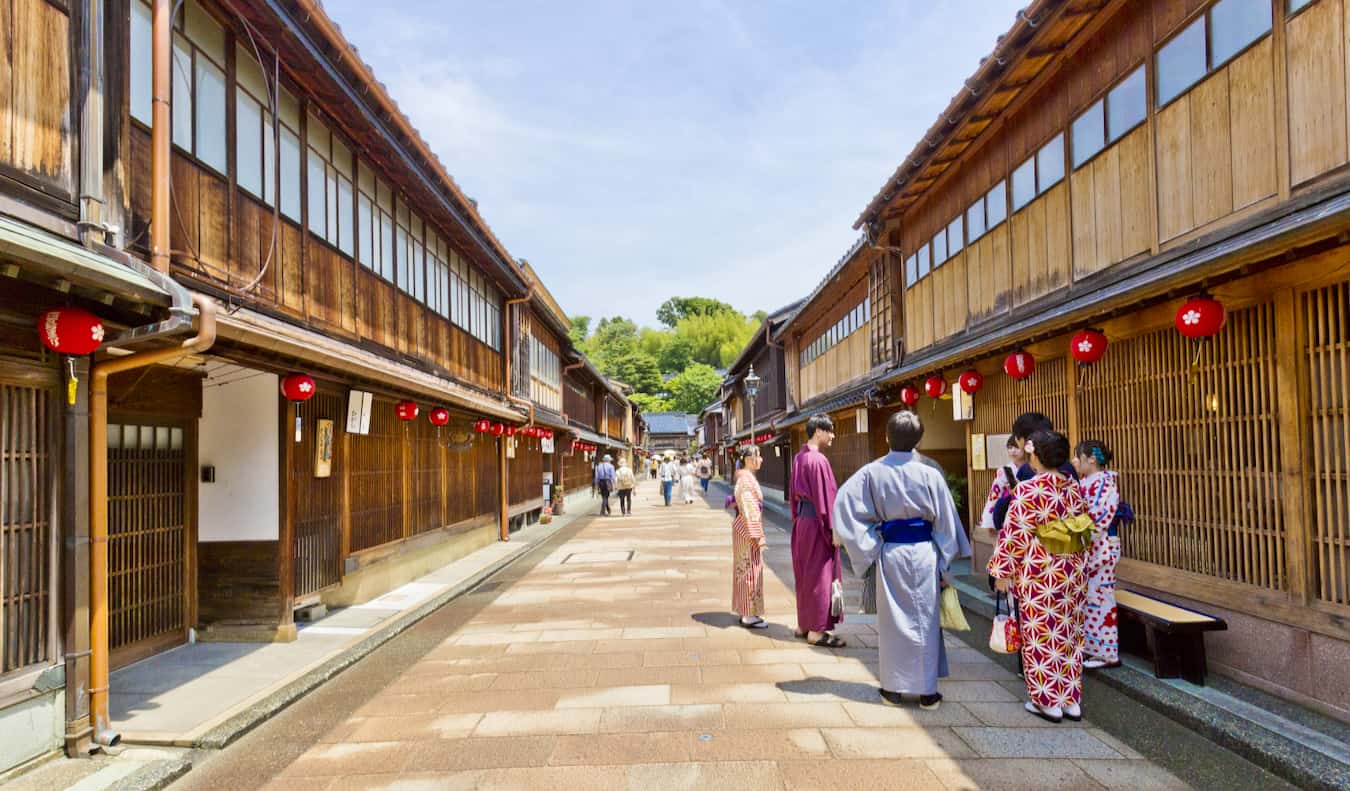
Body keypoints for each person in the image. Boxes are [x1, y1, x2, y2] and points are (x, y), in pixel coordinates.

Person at [833, 411, 962, 711]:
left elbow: (844, 504)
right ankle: (927, 693)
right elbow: (945, 522)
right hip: (925, 552)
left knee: (892, 623)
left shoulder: (871, 472)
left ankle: (892, 689)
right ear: (919, 439)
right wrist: (945, 560)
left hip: (891, 552)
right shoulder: (930, 473)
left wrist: (870, 544)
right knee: (926, 621)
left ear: (887, 437)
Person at [988, 429, 1091, 723]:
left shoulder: (1029, 490)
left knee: (1041, 634)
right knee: (1069, 634)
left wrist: (1002, 571)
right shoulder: (1074, 488)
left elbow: (1015, 534)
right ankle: (1071, 699)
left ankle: (1047, 701)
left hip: (1040, 573)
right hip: (1072, 571)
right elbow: (1085, 531)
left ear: (1035, 456)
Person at [790, 413, 844, 647]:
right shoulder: (818, 460)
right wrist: (833, 530)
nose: (832, 436)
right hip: (817, 524)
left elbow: (794, 496)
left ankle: (803, 624)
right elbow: (826, 500)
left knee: (804, 574)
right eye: (830, 430)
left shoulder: (800, 458)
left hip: (802, 522)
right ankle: (816, 631)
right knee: (820, 576)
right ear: (819, 431)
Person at [1074, 440, 1121, 670]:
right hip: (1091, 547)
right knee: (1092, 599)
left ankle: (1108, 653)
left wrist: (1076, 529)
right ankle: (1094, 649)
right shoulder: (1089, 482)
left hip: (1100, 546)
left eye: (1078, 457)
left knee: (1102, 599)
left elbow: (1098, 517)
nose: (1076, 462)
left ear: (1091, 459)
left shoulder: (1104, 483)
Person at [731, 445, 768, 628]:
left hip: (742, 527)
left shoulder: (745, 478)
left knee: (746, 568)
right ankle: (747, 614)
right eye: (758, 456)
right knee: (749, 569)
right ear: (748, 459)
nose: (760, 459)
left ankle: (747, 610)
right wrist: (757, 534)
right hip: (747, 529)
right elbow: (748, 507)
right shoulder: (746, 480)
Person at [979, 435, 1027, 533]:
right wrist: (990, 521)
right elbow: (994, 495)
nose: (1013, 451)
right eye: (1009, 447)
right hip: (1008, 513)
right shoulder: (1004, 470)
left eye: (1016, 447)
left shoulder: (1033, 468)